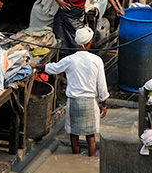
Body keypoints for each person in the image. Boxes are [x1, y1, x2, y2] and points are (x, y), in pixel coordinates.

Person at [45, 26, 109, 156]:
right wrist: (103, 103)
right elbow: (102, 85)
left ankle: (75, 157)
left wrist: (38, 66)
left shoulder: (70, 59)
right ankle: (91, 161)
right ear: (89, 42)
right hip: (90, 102)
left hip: (74, 102)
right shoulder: (97, 60)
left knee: (74, 134)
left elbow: (54, 68)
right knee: (90, 136)